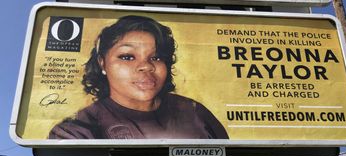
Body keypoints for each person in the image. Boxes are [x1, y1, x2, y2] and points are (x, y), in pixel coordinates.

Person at [49, 15, 228, 139]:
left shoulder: (193, 112)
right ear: (102, 63)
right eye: (127, 57)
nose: (146, 66)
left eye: (156, 57)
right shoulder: (75, 131)